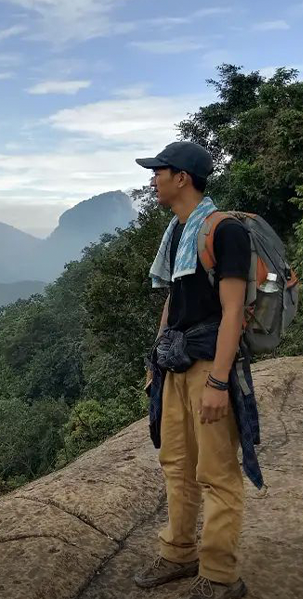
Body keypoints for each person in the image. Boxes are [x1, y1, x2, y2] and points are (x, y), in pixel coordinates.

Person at [132, 141, 255, 599]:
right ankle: (178, 553)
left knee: (217, 472)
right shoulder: (179, 232)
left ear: (181, 177)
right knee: (176, 465)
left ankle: (221, 575)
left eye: (158, 170)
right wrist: (156, 358)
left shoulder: (224, 232)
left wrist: (220, 381)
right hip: (176, 365)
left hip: (209, 364)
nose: (152, 178)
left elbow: (233, 311)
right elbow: (174, 300)